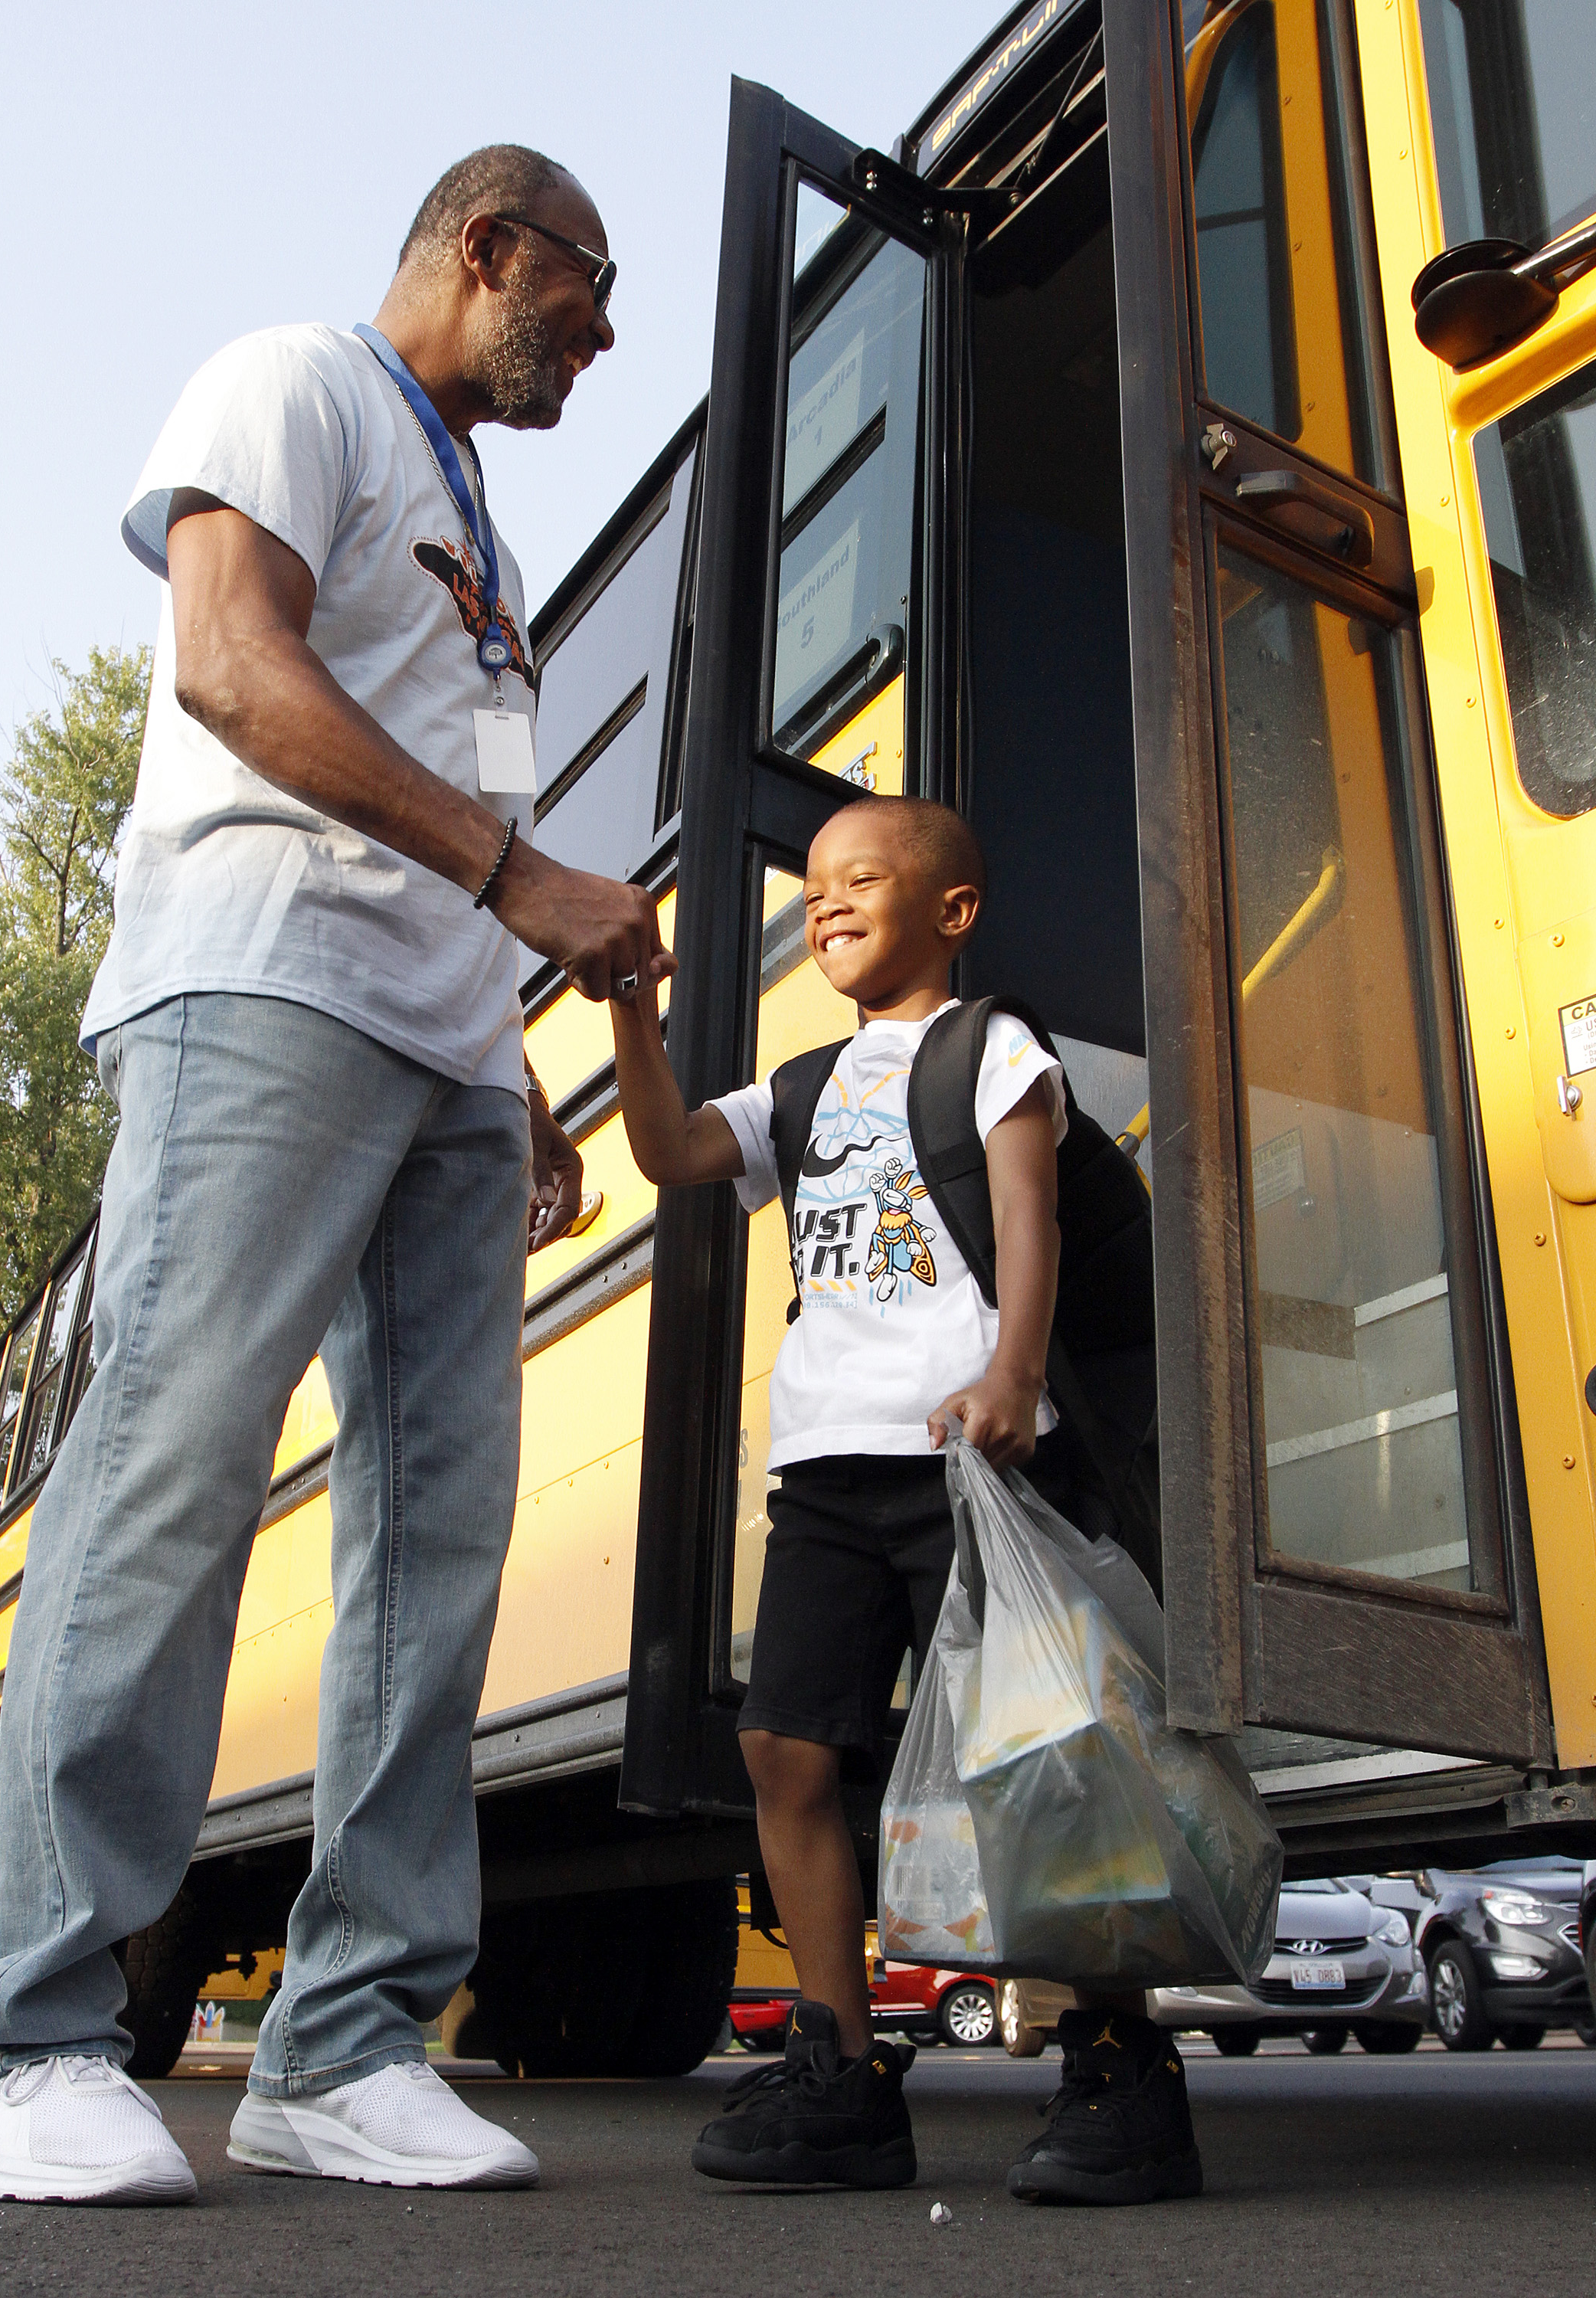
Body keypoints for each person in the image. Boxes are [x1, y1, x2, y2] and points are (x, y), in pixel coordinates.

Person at [0, 144, 670, 2206]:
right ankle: (32, 2037)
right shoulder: (295, 381)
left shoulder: (480, 529)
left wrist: (505, 1059)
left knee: (440, 1537)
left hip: (438, 1045)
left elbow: (437, 814)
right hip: (258, 988)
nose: (600, 340)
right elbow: (235, 672)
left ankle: (342, 2050)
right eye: (584, 297)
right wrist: (521, 878)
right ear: (484, 245)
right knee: (174, 1455)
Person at [607, 792, 1200, 2205]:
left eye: (859, 880)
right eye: (811, 892)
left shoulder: (990, 1047)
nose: (827, 907)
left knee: (1042, 1751)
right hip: (824, 1464)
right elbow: (669, 1152)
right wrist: (634, 1007)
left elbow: (1026, 1218)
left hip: (975, 1453)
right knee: (786, 1756)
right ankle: (842, 2073)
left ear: (953, 909)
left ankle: (1120, 2066)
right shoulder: (803, 1087)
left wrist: (1013, 1368)